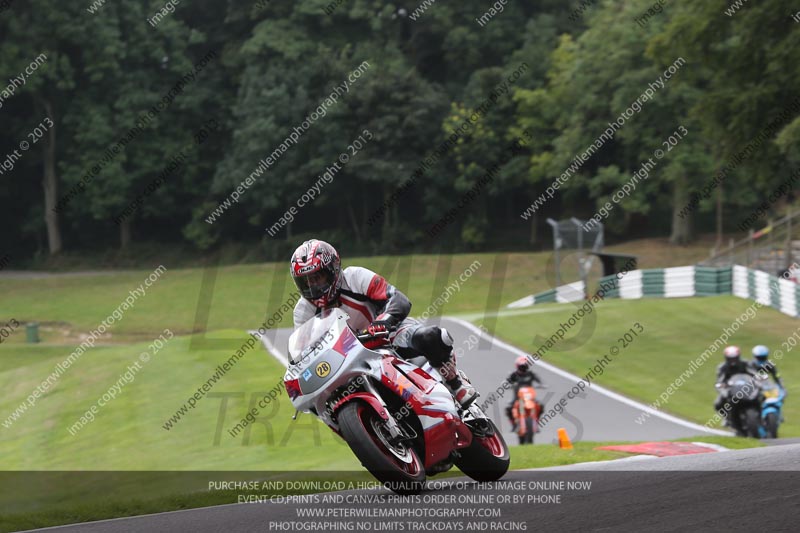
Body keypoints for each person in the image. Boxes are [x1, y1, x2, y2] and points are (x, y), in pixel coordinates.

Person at [290, 239, 477, 407]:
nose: (313, 287)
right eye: (306, 282)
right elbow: (304, 355)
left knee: (430, 337)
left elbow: (398, 299)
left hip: (386, 336)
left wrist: (383, 323)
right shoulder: (302, 311)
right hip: (344, 361)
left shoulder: (355, 277)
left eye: (318, 277)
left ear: (334, 269)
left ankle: (455, 383)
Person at [713, 345, 756, 425]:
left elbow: (753, 373)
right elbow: (720, 380)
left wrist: (758, 379)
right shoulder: (722, 367)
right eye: (730, 359)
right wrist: (722, 388)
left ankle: (763, 415)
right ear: (726, 358)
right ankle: (726, 417)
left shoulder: (745, 363)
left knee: (760, 395)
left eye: (734, 358)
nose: (733, 361)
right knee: (718, 403)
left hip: (746, 387)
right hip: (731, 388)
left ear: (738, 357)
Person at [505, 356, 543, 430]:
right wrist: (509, 385)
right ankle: (514, 424)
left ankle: (536, 422)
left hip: (530, 397)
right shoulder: (514, 375)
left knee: (540, 406)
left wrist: (541, 385)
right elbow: (507, 382)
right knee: (509, 408)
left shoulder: (531, 374)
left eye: (524, 366)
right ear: (517, 366)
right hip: (518, 397)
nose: (523, 368)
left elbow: (540, 381)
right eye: (521, 366)